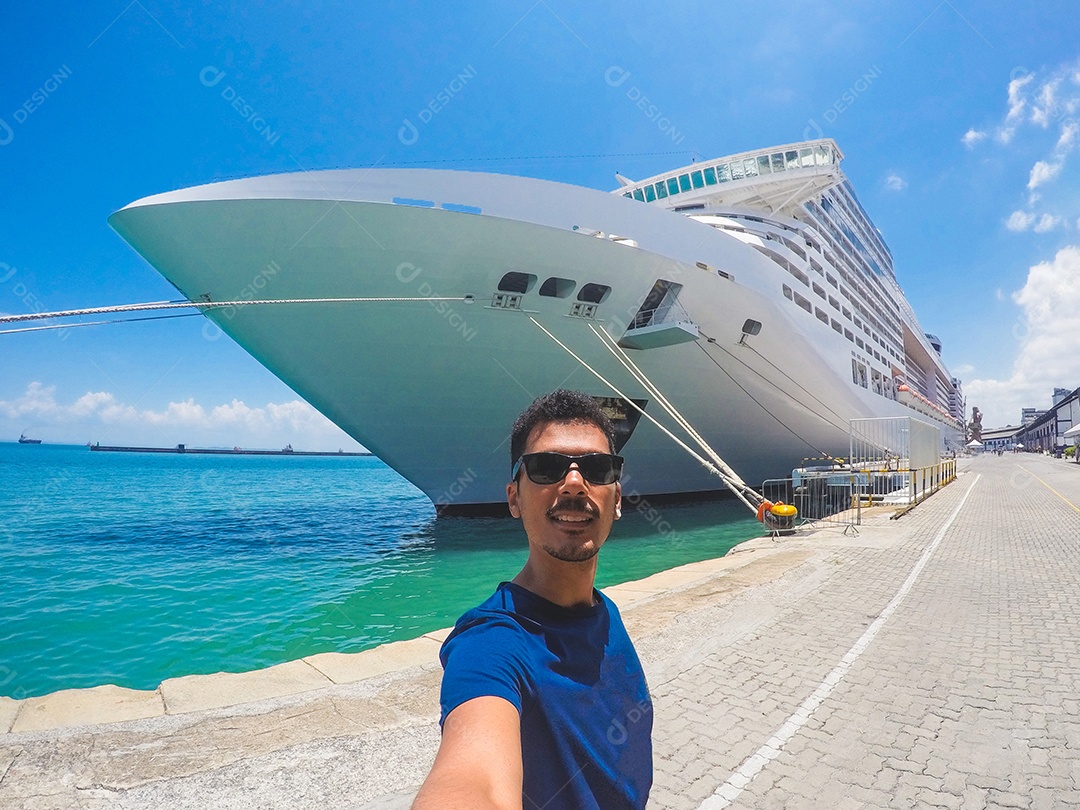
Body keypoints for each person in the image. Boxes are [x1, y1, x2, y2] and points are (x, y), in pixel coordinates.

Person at [412, 389, 653, 810]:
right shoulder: (492, 643)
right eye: (546, 468)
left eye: (597, 468)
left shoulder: (605, 611)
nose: (574, 482)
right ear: (514, 498)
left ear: (617, 500)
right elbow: (472, 781)